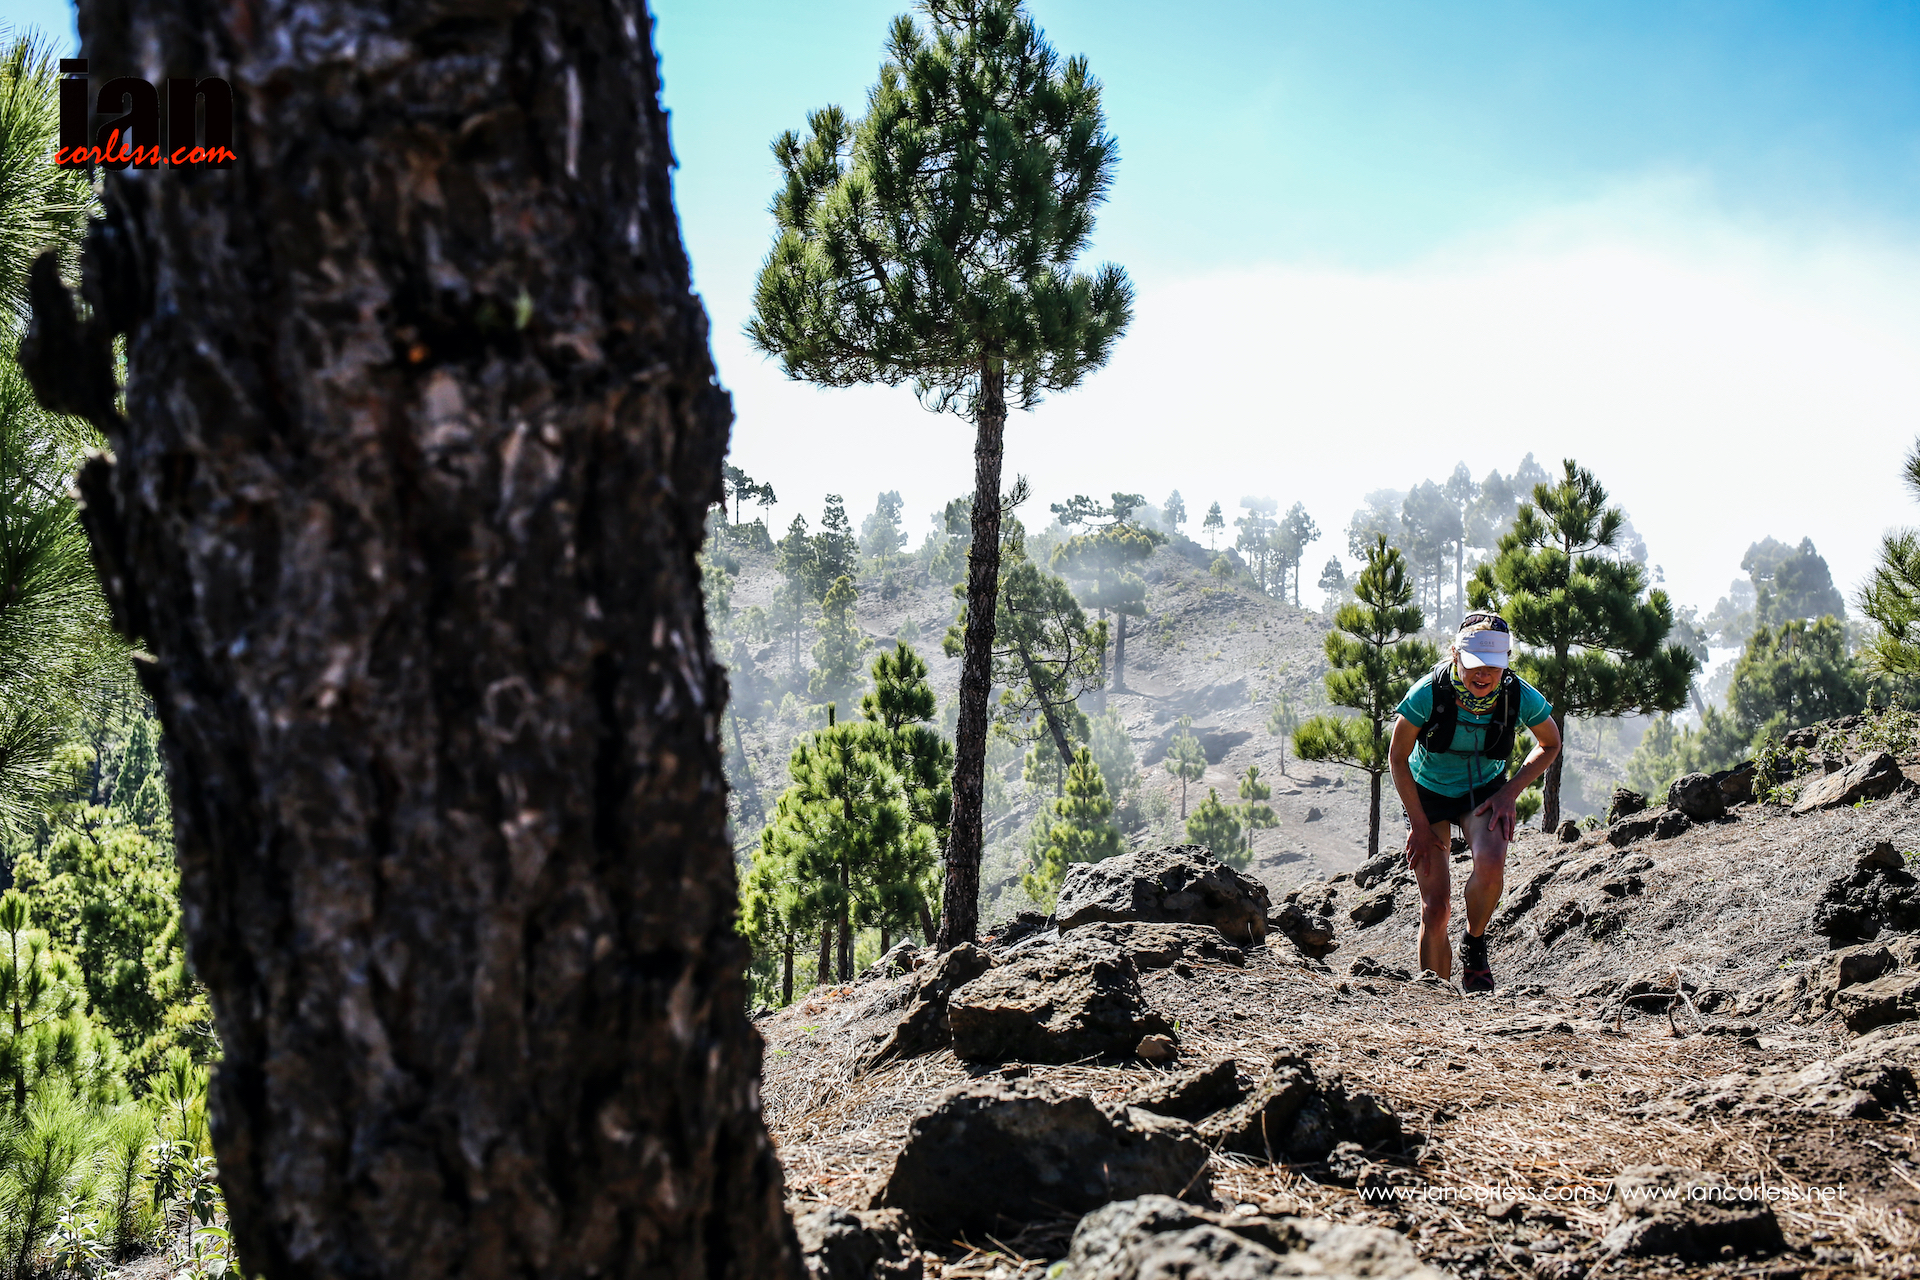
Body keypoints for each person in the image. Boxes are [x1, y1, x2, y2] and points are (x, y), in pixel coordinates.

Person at [1387, 612, 1560, 993]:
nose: (1483, 675)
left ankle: (1475, 942)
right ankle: (1435, 999)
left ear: (1506, 663)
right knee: (1436, 907)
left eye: (1493, 668)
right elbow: (1397, 758)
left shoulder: (1519, 694)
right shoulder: (1427, 693)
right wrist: (1417, 824)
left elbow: (1550, 744)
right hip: (1428, 792)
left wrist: (1509, 792)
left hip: (1484, 789)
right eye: (1474, 665)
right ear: (1456, 656)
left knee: (1490, 861)